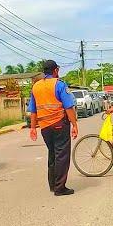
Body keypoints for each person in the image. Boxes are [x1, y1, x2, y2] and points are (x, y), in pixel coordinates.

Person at [29, 60, 78, 196]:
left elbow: (33, 110)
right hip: (59, 124)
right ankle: (60, 187)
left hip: (44, 127)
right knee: (62, 155)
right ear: (55, 70)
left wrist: (33, 128)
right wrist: (74, 124)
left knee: (52, 154)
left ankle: (53, 185)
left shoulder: (36, 87)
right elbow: (68, 106)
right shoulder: (59, 84)